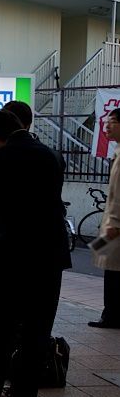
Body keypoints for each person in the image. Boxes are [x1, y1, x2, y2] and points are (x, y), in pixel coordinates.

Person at [0, 110, 71, 397]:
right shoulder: (51, 155)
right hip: (51, 252)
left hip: (13, 253)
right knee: (38, 323)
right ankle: (24, 394)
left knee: (1, 323)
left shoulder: (1, 159)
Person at [90, 108, 120, 328]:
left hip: (115, 225)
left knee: (113, 271)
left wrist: (115, 222)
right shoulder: (117, 151)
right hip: (112, 223)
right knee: (102, 258)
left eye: (113, 122)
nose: (107, 126)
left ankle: (111, 315)